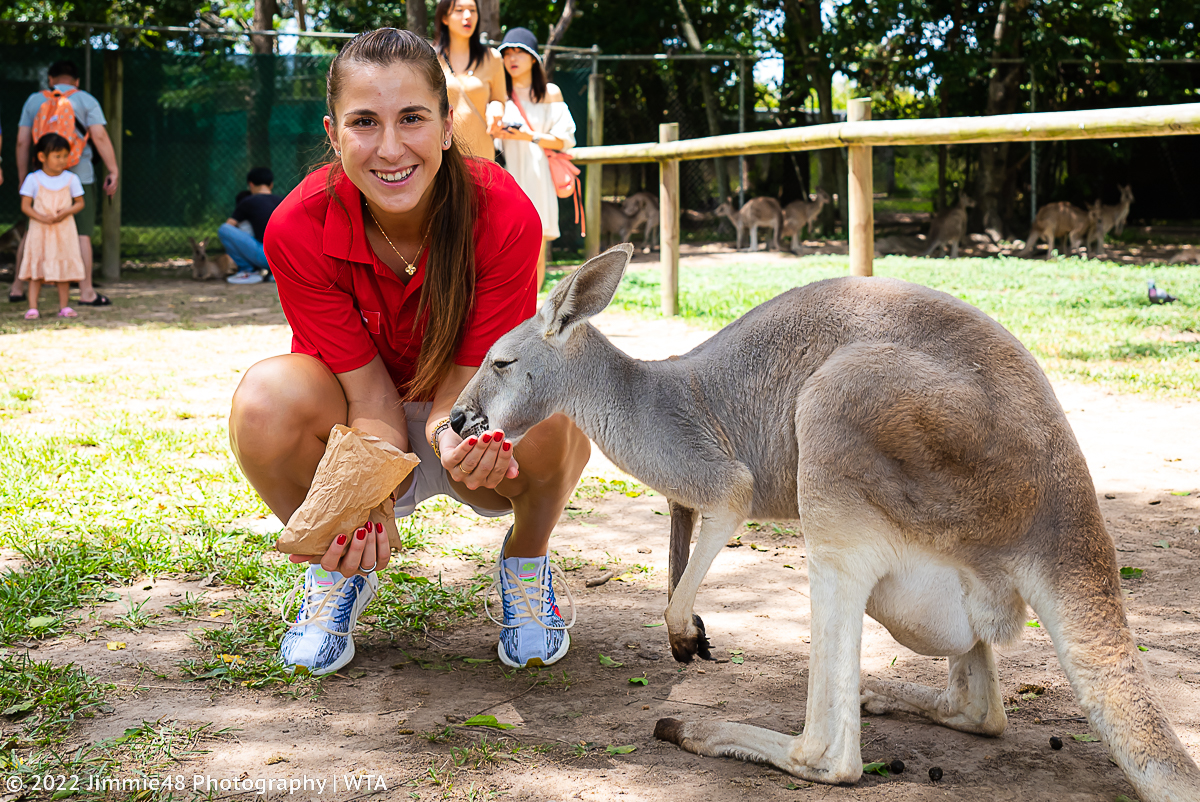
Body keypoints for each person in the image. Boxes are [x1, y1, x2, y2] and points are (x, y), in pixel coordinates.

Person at [228, 28, 590, 677]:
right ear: (333, 134)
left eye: (412, 119)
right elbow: (366, 397)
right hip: (359, 415)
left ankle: (525, 561)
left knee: (556, 398)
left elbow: (463, 390)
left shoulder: (505, 213)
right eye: (364, 122)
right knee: (263, 402)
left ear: (448, 127)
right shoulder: (295, 225)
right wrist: (358, 482)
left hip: (464, 408)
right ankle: (338, 568)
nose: (390, 148)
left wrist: (457, 441)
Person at [11, 60, 118, 307]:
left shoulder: (34, 101)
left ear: (50, 79)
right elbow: (100, 136)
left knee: (32, 231)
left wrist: (23, 178)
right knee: (82, 234)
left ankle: (18, 287)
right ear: (77, 81)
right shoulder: (86, 100)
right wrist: (113, 170)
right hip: (79, 174)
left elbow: (22, 141)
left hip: (42, 178)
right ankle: (86, 291)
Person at [491, 28, 577, 291]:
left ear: (533, 58)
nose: (513, 59)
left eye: (520, 52)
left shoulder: (550, 93)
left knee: (537, 250)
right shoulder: (498, 96)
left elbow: (564, 141)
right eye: (507, 53)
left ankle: (533, 315)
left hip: (539, 181)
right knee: (505, 253)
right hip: (507, 180)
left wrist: (528, 136)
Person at [18, 133, 86, 320]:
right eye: (57, 156)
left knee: (63, 272)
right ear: (42, 157)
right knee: (36, 271)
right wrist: (41, 217)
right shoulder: (33, 179)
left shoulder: (71, 179)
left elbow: (80, 202)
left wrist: (65, 212)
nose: (62, 160)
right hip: (40, 231)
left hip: (63, 232)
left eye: (65, 156)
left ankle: (64, 307)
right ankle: (33, 307)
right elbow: (25, 206)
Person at [432, 0, 507, 161]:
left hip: (482, 154)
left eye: (472, 10)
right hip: (441, 154)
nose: (468, 16)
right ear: (444, 18)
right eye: (459, 10)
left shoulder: (493, 58)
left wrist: (496, 109)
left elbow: (499, 99)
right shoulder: (429, 58)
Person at [219, 167, 283, 285]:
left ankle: (248, 271)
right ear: (271, 184)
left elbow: (229, 226)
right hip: (288, 258)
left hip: (266, 257)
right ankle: (276, 273)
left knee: (224, 230)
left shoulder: (248, 201)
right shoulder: (284, 200)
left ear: (251, 184)